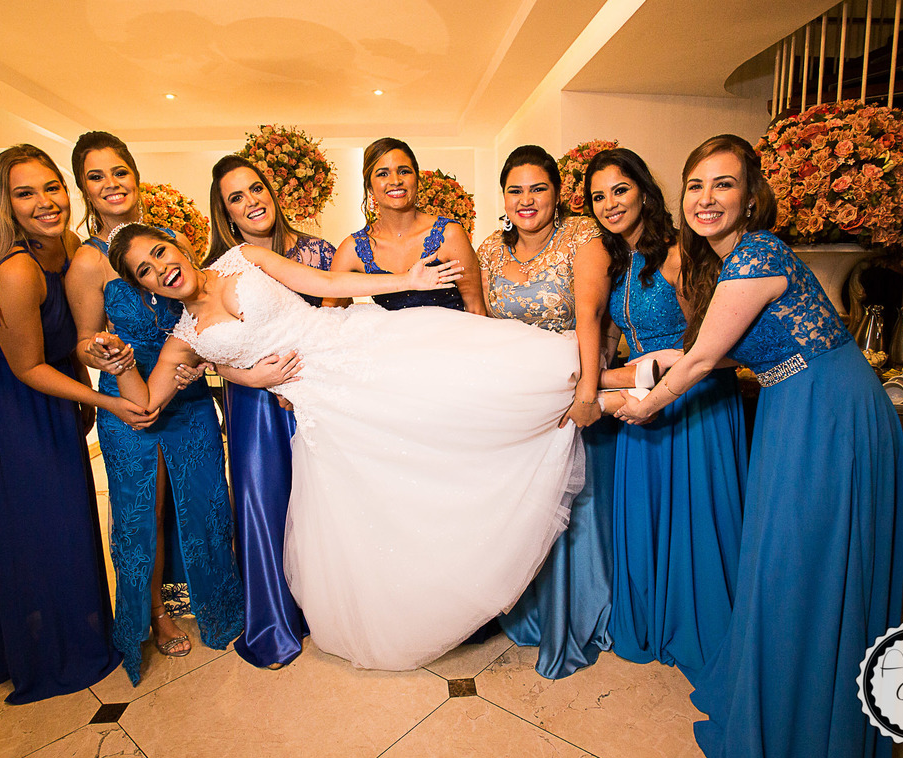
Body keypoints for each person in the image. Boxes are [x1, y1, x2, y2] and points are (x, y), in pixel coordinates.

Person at [105, 222, 584, 671]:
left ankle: (601, 389)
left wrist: (406, 279)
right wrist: (125, 365)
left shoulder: (244, 258)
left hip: (355, 345)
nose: (161, 268)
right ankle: (422, 603)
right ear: (144, 287)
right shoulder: (184, 339)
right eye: (145, 270)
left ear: (179, 246)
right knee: (397, 489)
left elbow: (327, 283)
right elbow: (144, 405)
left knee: (462, 392)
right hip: (325, 406)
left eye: (160, 252)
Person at [615, 135, 903, 758]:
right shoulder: (728, 262)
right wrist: (641, 369)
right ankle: (794, 713)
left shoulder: (758, 253)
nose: (706, 198)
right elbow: (711, 349)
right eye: (695, 185)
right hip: (791, 403)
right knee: (787, 562)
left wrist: (646, 405)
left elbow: (698, 358)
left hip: (827, 410)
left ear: (751, 197)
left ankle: (809, 735)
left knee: (804, 564)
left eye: (723, 184)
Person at [0, 144, 143, 703]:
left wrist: (85, 378)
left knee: (69, 517)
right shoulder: (15, 268)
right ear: (5, 205)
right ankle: (46, 656)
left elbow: (68, 338)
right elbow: (27, 366)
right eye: (25, 193)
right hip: (4, 402)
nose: (45, 202)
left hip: (51, 390)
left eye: (52, 187)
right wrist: (104, 401)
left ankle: (80, 636)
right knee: (34, 526)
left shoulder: (70, 249)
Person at [65, 132, 242, 685]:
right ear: (85, 190)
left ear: (135, 176)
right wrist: (102, 352)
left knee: (207, 501)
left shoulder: (170, 240)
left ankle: (219, 603)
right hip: (130, 400)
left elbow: (199, 310)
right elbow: (82, 340)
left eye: (119, 171)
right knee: (143, 514)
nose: (111, 184)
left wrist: (204, 361)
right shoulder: (87, 262)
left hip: (187, 395)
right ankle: (156, 617)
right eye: (96, 177)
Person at [585, 147, 747, 682]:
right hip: (642, 400)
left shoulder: (681, 254)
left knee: (695, 519)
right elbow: (612, 334)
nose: (610, 204)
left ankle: (699, 622)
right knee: (646, 515)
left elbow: (710, 346)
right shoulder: (615, 261)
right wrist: (591, 374)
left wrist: (638, 383)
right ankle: (651, 616)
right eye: (599, 197)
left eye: (620, 190)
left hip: (692, 401)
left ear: (645, 192)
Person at [476, 144, 615, 679]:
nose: (526, 200)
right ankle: (526, 610)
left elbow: (591, 315)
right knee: (520, 506)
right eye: (515, 190)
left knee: (570, 505)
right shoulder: (490, 249)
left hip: (568, 392)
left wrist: (587, 392)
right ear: (503, 197)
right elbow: (482, 326)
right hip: (514, 401)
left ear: (558, 194)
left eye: (538, 188)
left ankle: (575, 613)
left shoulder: (582, 236)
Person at [203, 154, 336, 669]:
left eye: (256, 188)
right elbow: (202, 346)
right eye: (236, 197)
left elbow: (336, 318)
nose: (251, 201)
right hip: (255, 402)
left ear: (272, 191)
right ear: (226, 213)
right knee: (265, 501)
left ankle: (329, 610)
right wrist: (253, 377)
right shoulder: (218, 269)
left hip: (315, 388)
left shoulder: (317, 250)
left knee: (325, 498)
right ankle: (274, 621)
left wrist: (306, 378)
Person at [325, 137, 487, 314]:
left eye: (404, 171)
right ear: (369, 186)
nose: (395, 181)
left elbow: (475, 308)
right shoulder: (353, 248)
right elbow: (329, 314)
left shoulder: (450, 234)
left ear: (416, 179)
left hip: (452, 332)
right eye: (383, 174)